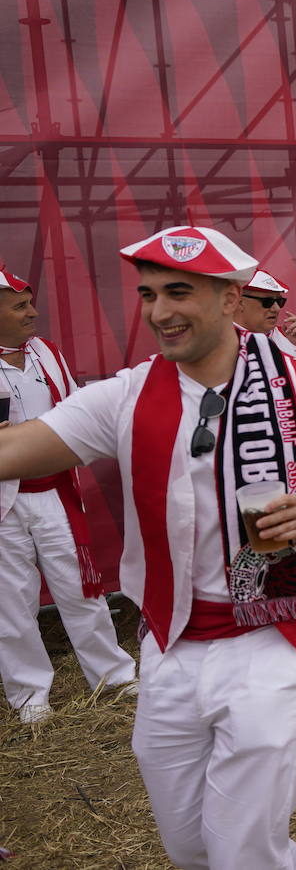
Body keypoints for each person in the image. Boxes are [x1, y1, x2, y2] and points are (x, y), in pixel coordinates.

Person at [0, 226, 296, 869]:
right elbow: (13, 450)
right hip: (171, 642)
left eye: (179, 292)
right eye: (150, 295)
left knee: (240, 853)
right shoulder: (125, 396)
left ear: (232, 298)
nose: (159, 312)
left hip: (276, 637)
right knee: (190, 849)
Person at [0, 266, 136, 724]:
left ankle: (113, 676)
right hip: (4, 504)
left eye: (29, 302)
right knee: (11, 604)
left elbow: (74, 407)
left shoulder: (46, 353)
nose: (32, 312)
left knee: (82, 592)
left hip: (55, 491)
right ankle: (30, 698)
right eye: (19, 306)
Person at [234, 269, 296, 365]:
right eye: (267, 302)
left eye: (280, 301)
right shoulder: (222, 341)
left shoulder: (289, 336)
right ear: (239, 302)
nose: (276, 308)